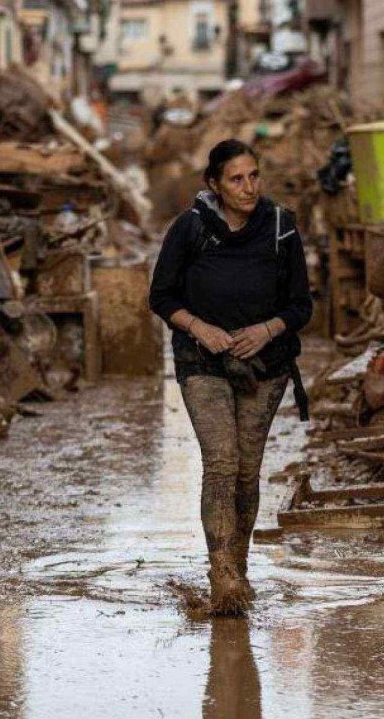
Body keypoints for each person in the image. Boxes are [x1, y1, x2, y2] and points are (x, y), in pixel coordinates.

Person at [149, 139, 312, 614]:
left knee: (246, 470)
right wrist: (202, 329)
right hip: (203, 363)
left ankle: (237, 569)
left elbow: (301, 305)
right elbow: (161, 297)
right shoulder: (191, 229)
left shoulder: (281, 227)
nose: (248, 187)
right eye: (236, 179)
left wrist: (266, 330)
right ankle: (222, 574)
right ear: (215, 185)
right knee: (221, 463)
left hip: (267, 365)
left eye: (254, 176)